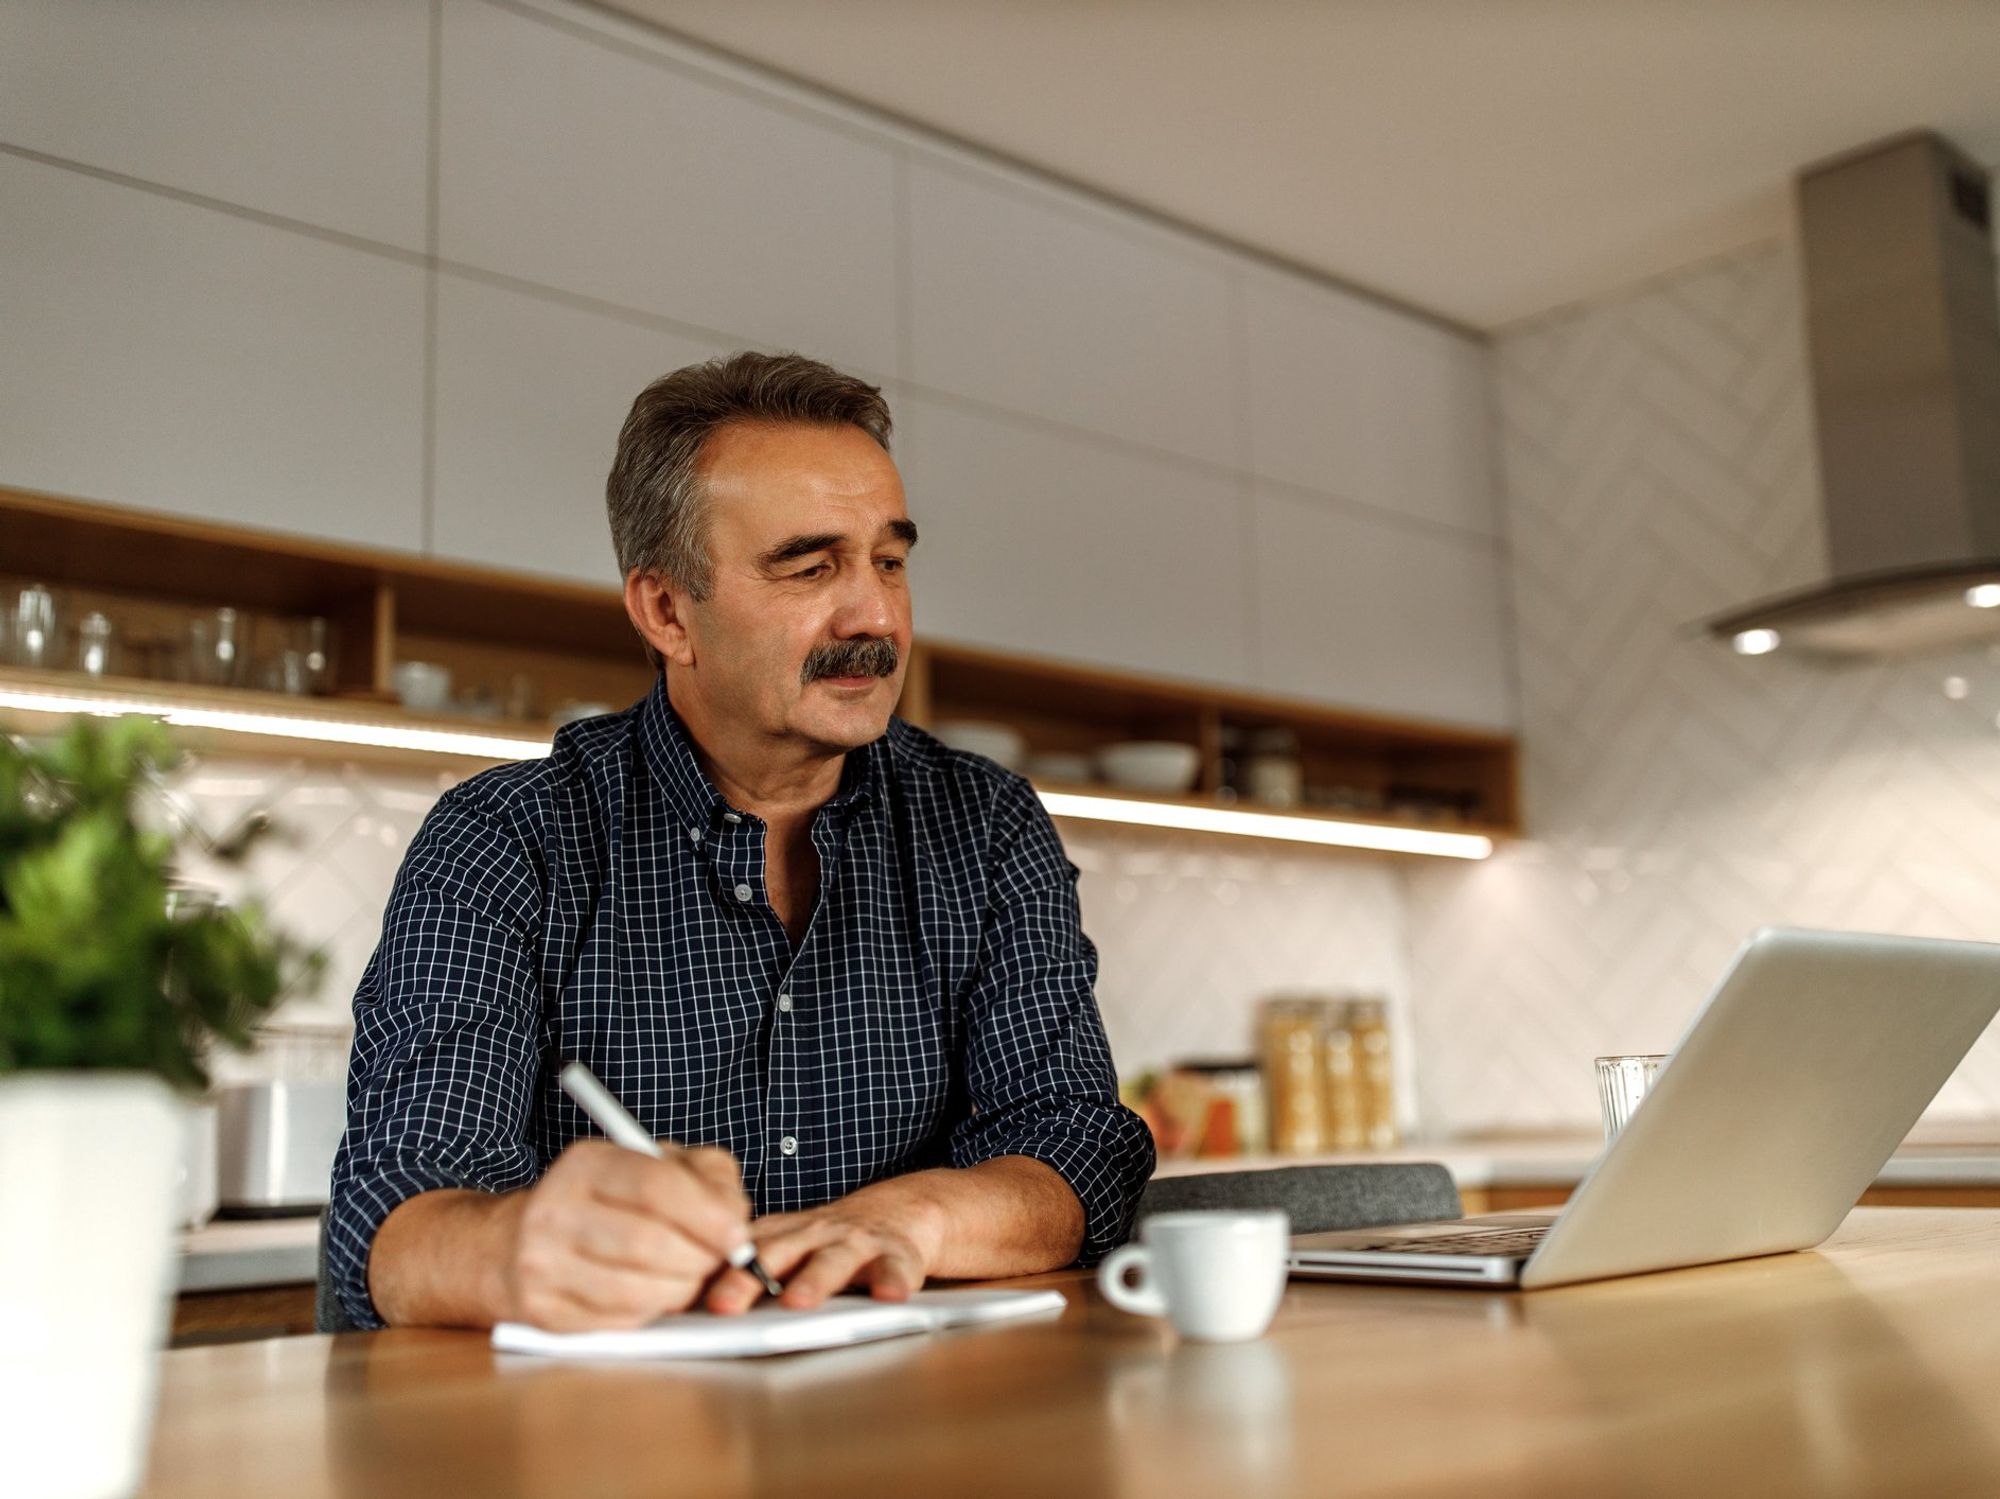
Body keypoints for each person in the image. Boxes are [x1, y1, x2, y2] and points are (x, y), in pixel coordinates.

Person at [326, 351, 1155, 1330]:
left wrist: (905, 1220)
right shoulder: (506, 843)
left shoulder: (986, 829)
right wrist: (516, 1251)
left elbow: (1077, 1146)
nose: (876, 614)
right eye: (810, 566)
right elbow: (393, 1219)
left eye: (888, 560)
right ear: (666, 610)